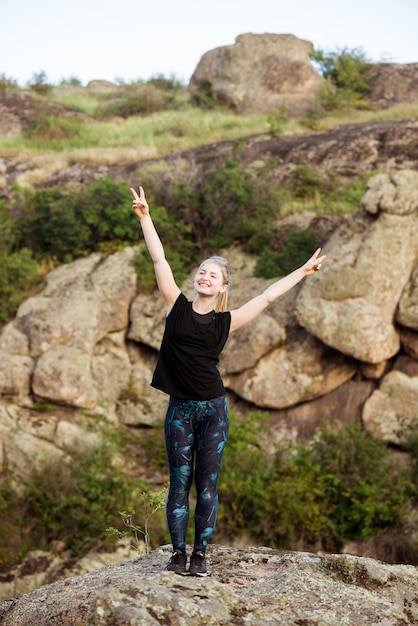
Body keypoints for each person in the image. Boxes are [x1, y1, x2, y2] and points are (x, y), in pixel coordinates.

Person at [130, 185, 326, 576]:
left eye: (213, 275)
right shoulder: (177, 306)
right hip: (180, 409)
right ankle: (177, 554)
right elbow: (159, 259)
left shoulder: (227, 321)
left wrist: (302, 272)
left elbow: (268, 296)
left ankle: (201, 554)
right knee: (177, 483)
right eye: (202, 271)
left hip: (213, 409)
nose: (204, 276)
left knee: (207, 485)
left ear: (222, 287)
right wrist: (145, 218)